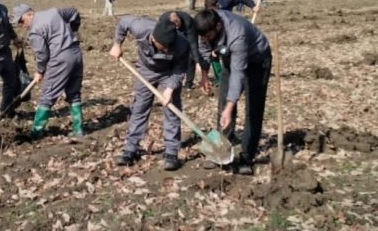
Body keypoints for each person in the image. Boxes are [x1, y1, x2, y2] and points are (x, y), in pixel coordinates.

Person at [195, 9, 272, 175]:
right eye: (203, 36)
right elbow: (205, 51)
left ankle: (247, 157)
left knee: (253, 109)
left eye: (208, 36)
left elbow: (238, 74)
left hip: (257, 60)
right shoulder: (205, 28)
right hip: (231, 60)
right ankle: (219, 151)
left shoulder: (237, 35)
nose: (205, 39)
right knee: (223, 105)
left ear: (218, 26)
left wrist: (230, 108)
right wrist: (204, 76)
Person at [109, 16, 189, 170]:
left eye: (168, 47)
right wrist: (117, 44)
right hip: (145, 72)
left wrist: (170, 89)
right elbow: (123, 22)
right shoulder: (141, 27)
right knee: (139, 108)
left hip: (169, 73)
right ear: (153, 38)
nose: (166, 49)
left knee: (172, 109)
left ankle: (171, 152)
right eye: (163, 47)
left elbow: (180, 69)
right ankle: (131, 148)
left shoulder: (181, 43)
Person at [10, 4, 84, 138]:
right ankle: (78, 130)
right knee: (73, 93)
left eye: (21, 21)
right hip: (76, 54)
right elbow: (73, 11)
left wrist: (40, 71)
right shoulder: (54, 12)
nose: (21, 25)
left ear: (29, 14)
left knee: (47, 95)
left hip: (60, 59)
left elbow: (42, 55)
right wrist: (73, 30)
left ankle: (36, 133)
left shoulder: (34, 31)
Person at [160, 11, 210, 90]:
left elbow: (193, 43)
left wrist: (197, 62)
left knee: (191, 58)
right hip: (172, 37)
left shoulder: (188, 22)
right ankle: (170, 81)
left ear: (179, 18)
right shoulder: (163, 20)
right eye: (174, 25)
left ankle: (188, 83)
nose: (176, 27)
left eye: (178, 23)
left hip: (187, 35)